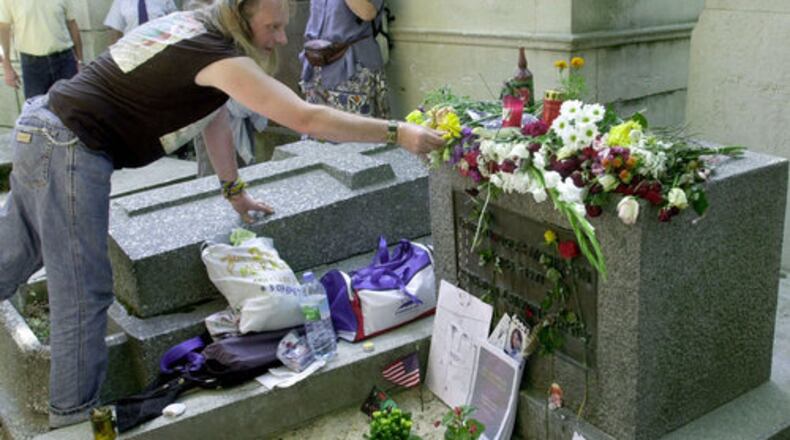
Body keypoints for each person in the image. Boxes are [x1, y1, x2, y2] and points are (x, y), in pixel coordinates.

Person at [0, 0, 442, 428]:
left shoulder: (196, 29)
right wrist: (397, 132)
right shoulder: (221, 56)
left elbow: (209, 112)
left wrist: (234, 191)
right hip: (69, 147)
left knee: (17, 255)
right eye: (272, 27)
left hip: (44, 128)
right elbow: (307, 118)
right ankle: (73, 417)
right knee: (84, 291)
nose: (282, 38)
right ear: (240, 14)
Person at [300, 0, 389, 117]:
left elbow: (367, 12)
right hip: (316, 65)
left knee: (355, 130)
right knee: (317, 127)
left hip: (352, 67)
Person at [0, 0, 83, 99]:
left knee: (73, 108)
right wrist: (7, 67)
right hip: (33, 67)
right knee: (37, 111)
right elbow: (3, 29)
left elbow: (72, 24)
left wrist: (80, 61)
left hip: (65, 62)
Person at [104, 0, 178, 45]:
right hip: (132, 52)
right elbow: (115, 31)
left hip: (159, 50)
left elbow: (176, 26)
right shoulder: (121, 1)